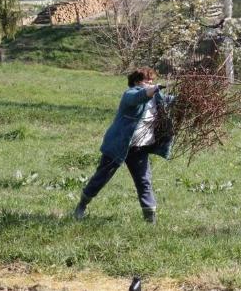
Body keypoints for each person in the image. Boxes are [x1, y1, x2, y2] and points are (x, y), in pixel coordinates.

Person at [74, 67, 173, 223]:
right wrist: (153, 89)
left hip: (139, 148)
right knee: (101, 177)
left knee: (144, 181)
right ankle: (81, 206)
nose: (150, 83)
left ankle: (150, 219)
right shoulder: (130, 94)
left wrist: (190, 97)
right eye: (147, 80)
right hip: (118, 146)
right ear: (136, 82)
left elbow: (172, 101)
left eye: (152, 80)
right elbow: (139, 97)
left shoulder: (156, 97)